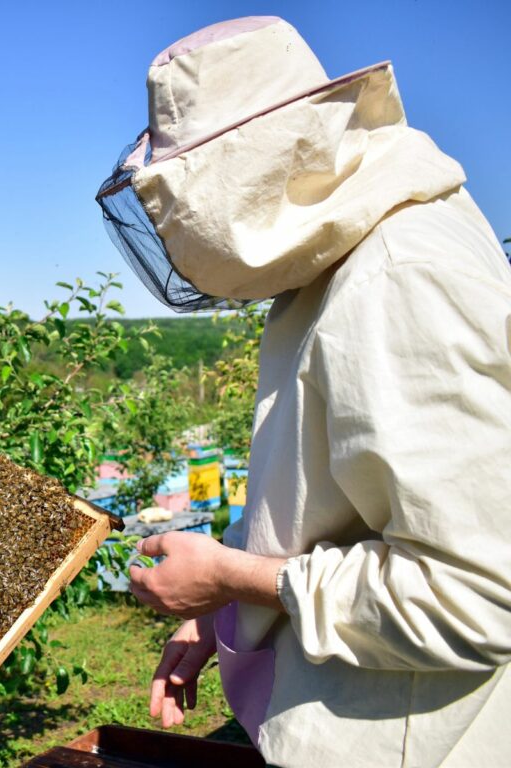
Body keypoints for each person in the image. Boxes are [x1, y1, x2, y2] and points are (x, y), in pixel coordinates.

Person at [96, 17, 511, 767]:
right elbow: (333, 499)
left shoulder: (397, 276)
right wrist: (230, 597)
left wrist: (228, 576)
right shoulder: (348, 248)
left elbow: (474, 594)